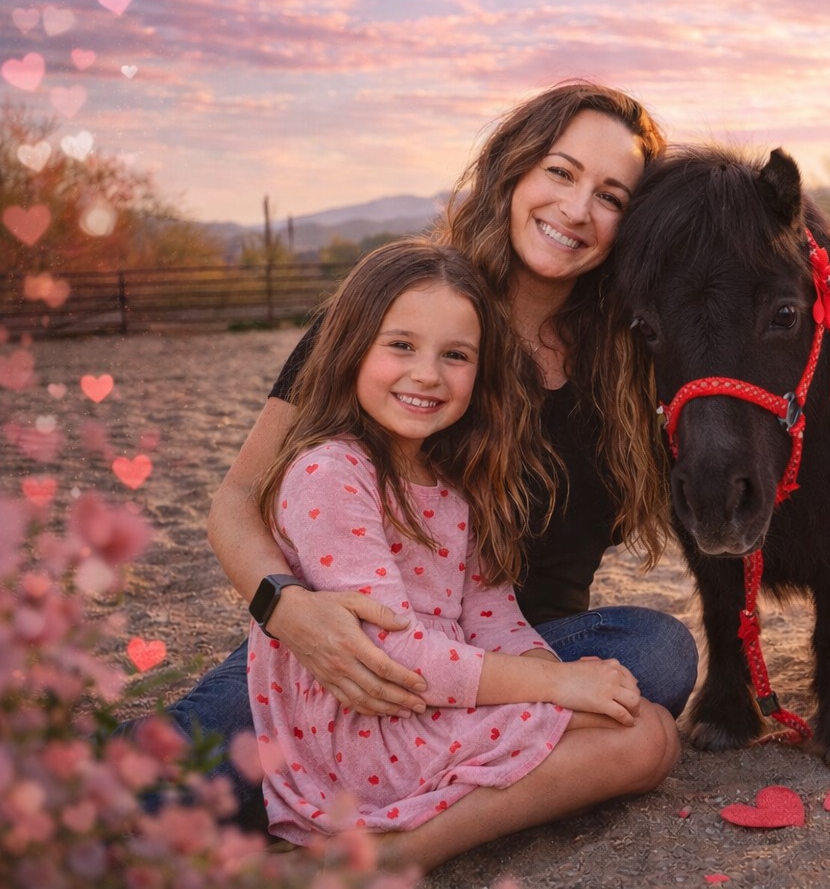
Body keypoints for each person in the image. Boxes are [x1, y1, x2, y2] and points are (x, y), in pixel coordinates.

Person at [156, 82, 697, 830]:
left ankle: (404, 825)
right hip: (353, 645)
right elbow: (235, 500)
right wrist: (289, 610)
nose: (576, 210)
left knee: (659, 651)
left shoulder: (632, 360)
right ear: (513, 172)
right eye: (561, 172)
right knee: (149, 794)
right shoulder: (406, 310)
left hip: (519, 649)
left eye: (610, 195)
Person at [249, 239, 676, 867]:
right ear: (352, 347)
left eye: (455, 356)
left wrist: (554, 684)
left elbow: (491, 614)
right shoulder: (330, 472)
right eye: (401, 345)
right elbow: (390, 653)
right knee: (641, 741)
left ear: (480, 373)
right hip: (368, 722)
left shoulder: (454, 481)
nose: (427, 374)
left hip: (433, 694)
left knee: (650, 732)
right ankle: (396, 855)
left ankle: (399, 842)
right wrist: (556, 682)